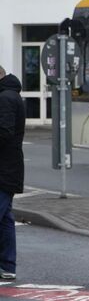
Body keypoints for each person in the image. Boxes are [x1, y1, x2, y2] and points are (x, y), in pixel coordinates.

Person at [0, 64, 26, 280]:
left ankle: (8, 265)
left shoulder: (5, 98)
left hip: (3, 169)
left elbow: (4, 133)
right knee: (5, 219)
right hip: (9, 168)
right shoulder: (10, 95)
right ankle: (7, 266)